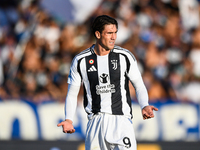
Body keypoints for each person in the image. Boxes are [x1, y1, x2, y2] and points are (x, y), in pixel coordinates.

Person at [57, 15, 158, 150]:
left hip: (121, 122)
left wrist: (144, 105)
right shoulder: (81, 60)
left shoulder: (125, 56)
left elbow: (139, 85)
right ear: (98, 34)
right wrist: (69, 119)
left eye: (115, 32)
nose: (114, 37)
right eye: (109, 33)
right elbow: (72, 94)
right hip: (95, 123)